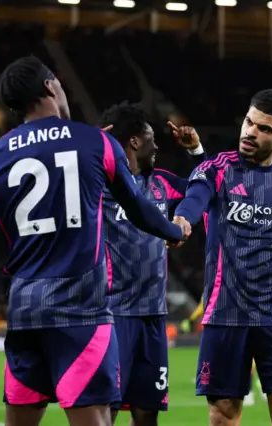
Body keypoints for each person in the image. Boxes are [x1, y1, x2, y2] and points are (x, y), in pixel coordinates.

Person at [0, 56, 188, 426]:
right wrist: (175, 231)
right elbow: (139, 208)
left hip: (25, 315)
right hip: (82, 311)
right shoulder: (95, 142)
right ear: (51, 86)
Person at [173, 89, 272, 426]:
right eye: (249, 122)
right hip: (225, 314)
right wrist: (183, 219)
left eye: (263, 129)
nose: (250, 132)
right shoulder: (218, 169)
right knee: (222, 416)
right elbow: (195, 196)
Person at [97, 101, 207, 426]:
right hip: (113, 314)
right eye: (150, 138)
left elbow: (206, 188)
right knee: (106, 411)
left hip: (153, 318)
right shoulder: (99, 184)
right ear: (133, 141)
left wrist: (197, 153)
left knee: (147, 414)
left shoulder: (162, 183)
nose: (157, 145)